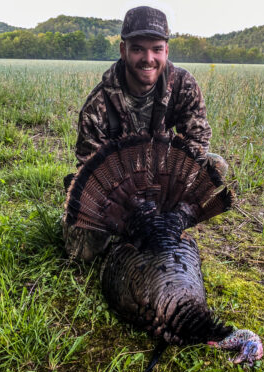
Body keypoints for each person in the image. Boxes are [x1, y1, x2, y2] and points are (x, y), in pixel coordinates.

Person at [63, 6, 228, 262]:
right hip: (122, 191)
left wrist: (167, 202)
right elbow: (95, 173)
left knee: (216, 165)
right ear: (123, 50)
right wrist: (138, 211)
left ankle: (166, 224)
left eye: (156, 49)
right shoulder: (98, 105)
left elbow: (197, 143)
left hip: (161, 178)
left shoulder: (183, 85)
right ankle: (132, 230)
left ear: (166, 51)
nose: (148, 58)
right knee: (82, 254)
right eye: (138, 48)